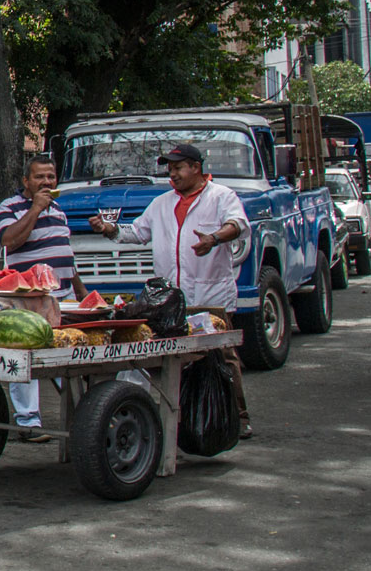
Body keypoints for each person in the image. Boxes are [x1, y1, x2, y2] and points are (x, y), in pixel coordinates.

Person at [89, 141, 254, 437]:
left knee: (223, 356)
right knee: (175, 360)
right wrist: (110, 229)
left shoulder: (221, 197)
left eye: (178, 168)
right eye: (170, 169)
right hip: (171, 301)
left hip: (210, 295)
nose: (172, 174)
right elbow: (137, 233)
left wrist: (214, 239)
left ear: (196, 168)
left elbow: (238, 225)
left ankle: (238, 418)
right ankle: (185, 419)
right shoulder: (162, 203)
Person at [0, 155, 86, 442]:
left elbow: (65, 253)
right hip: (28, 299)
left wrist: (81, 290)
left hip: (63, 295)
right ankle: (28, 423)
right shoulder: (9, 207)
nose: (46, 182)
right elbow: (10, 239)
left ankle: (83, 417)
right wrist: (34, 209)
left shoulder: (59, 210)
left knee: (67, 359)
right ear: (26, 181)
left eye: (51, 177)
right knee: (26, 359)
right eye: (39, 177)